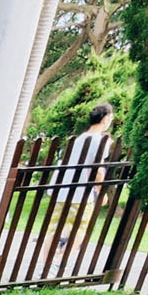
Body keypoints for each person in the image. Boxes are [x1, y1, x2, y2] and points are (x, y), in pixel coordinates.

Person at [47, 101, 115, 266]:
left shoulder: (79, 139)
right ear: (105, 119)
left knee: (54, 228)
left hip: (61, 189)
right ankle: (61, 261)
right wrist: (101, 191)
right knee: (80, 228)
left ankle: (46, 264)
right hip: (80, 192)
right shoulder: (100, 140)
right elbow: (97, 169)